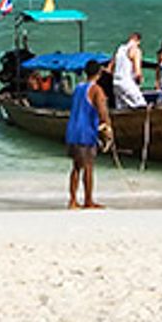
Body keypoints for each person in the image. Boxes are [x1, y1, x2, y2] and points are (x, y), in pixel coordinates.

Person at [65, 59, 112, 209]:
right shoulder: (96, 90)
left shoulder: (78, 88)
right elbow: (102, 112)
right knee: (89, 167)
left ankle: (72, 199)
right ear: (99, 73)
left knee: (76, 167)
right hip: (86, 132)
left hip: (73, 130)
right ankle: (88, 200)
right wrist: (108, 128)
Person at [110, 31, 145, 108]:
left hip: (116, 83)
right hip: (127, 82)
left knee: (121, 108)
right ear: (138, 41)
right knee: (141, 105)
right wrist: (140, 80)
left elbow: (110, 67)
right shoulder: (136, 50)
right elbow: (137, 71)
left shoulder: (120, 49)